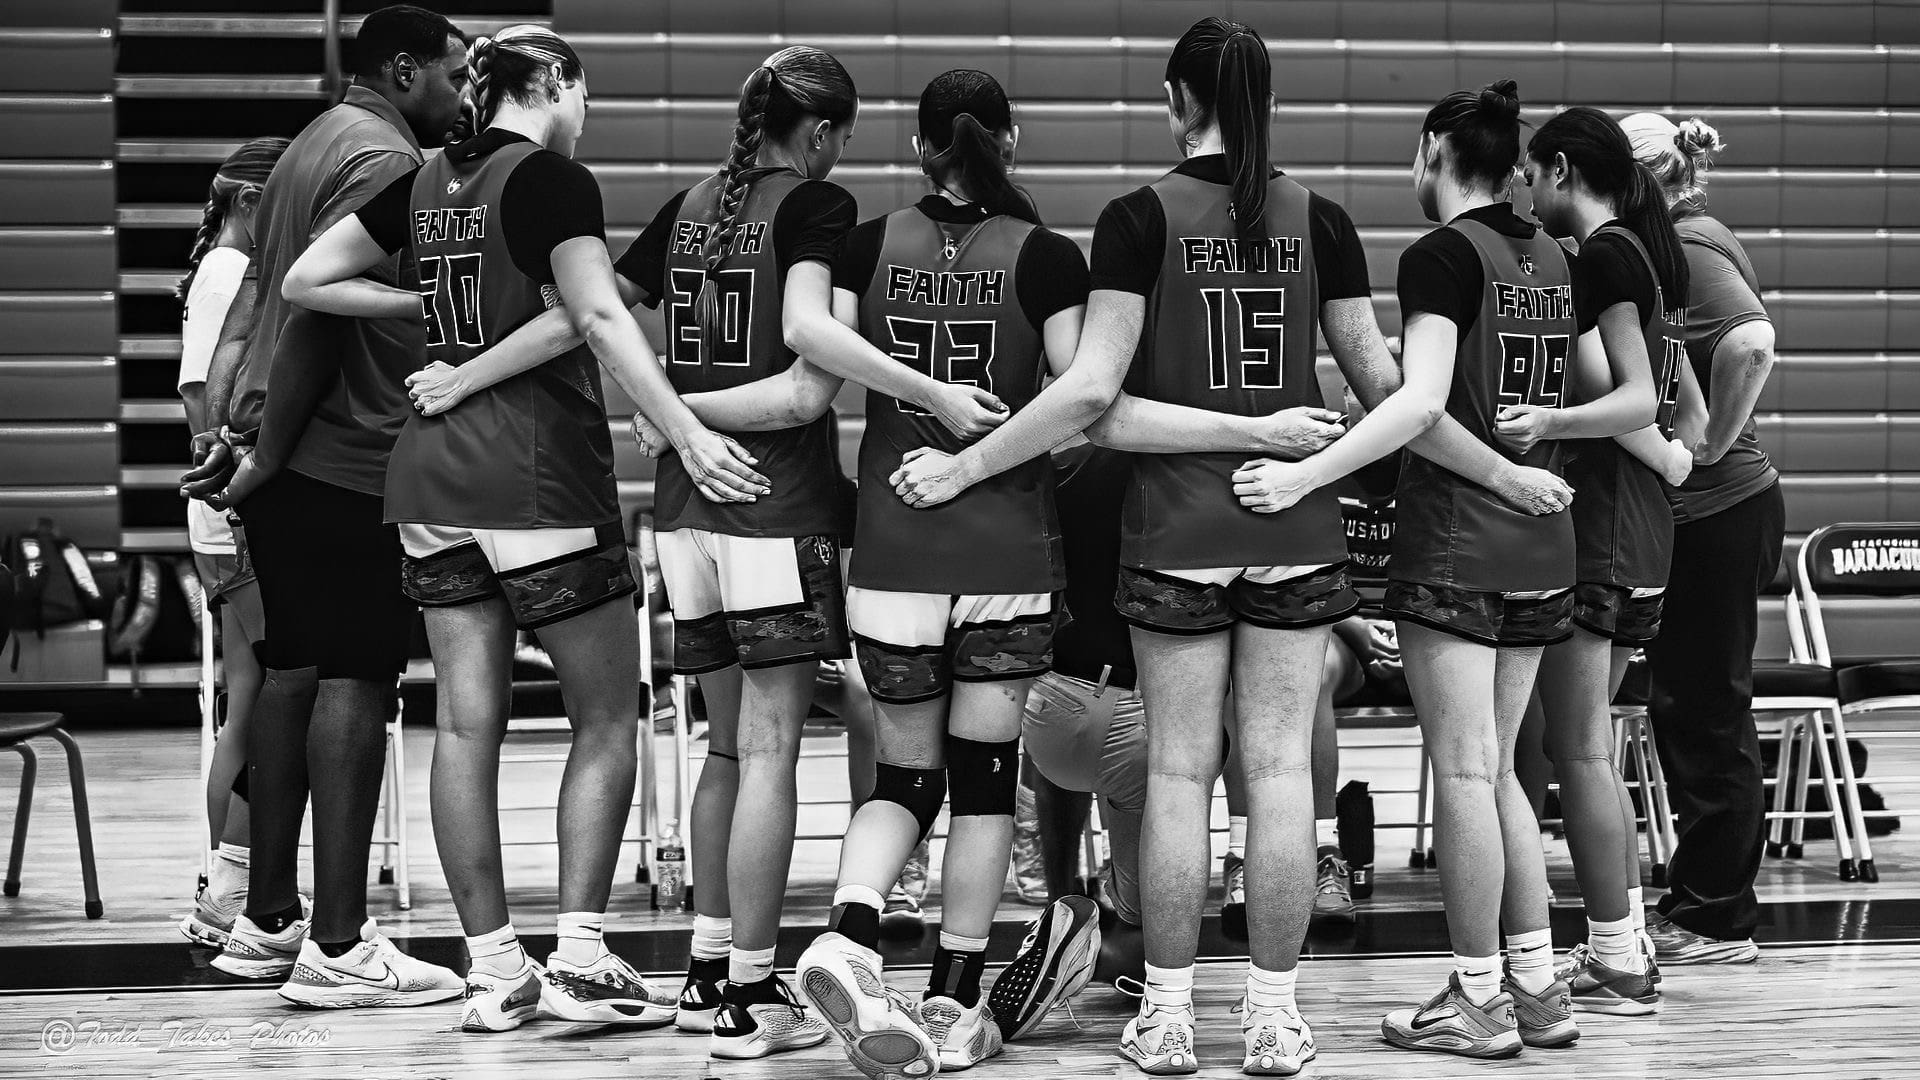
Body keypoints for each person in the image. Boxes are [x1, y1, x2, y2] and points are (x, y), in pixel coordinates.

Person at [882, 18, 1459, 1073]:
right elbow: (1393, 396)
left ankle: (1172, 1015)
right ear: (1268, 102)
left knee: (1183, 778)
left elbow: (1096, 401)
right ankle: (1277, 1019)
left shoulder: (1136, 218)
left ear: (1170, 97)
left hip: (1178, 535)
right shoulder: (1322, 220)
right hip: (1296, 529)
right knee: (1282, 777)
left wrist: (966, 466)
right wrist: (1491, 467)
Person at [404, 43, 1001, 1059]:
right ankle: (753, 998)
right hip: (768, 504)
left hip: (682, 515)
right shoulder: (816, 208)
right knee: (767, 749)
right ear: (819, 136)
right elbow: (806, 391)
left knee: (725, 747)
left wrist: (664, 407)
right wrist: (687, 411)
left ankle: (706, 970)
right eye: (840, 138)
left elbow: (594, 318)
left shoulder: (688, 206)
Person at [283, 25, 764, 1032]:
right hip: (535, 477)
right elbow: (598, 317)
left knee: (465, 724)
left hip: (428, 483)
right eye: (585, 97)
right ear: (554, 83)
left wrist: (419, 302)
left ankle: (496, 968)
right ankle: (581, 960)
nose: (586, 119)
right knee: (605, 718)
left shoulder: (418, 182)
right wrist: (682, 430)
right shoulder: (548, 179)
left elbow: (307, 280)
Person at [788, 69, 1096, 1076]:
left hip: (893, 545)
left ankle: (849, 929)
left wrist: (914, 393)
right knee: (983, 786)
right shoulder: (1047, 256)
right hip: (1004, 547)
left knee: (903, 778)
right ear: (1011, 142)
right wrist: (983, 447)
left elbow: (812, 343)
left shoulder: (865, 241)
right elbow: (1082, 402)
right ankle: (956, 1006)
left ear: (920, 150)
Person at [183, 4, 469, 1007]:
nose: (464, 94)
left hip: (287, 453)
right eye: (454, 74)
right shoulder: (388, 161)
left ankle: (267, 922)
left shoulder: (310, 144)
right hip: (340, 457)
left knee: (291, 676)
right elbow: (305, 319)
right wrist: (260, 452)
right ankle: (341, 943)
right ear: (404, 70)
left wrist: (230, 426)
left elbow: (254, 301)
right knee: (355, 674)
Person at [1371, 82, 1592, 1059]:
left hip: (1462, 538)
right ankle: (1538, 989)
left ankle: (1475, 997)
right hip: (1543, 543)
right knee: (1498, 769)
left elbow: (1422, 408)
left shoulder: (1439, 255)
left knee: (1465, 773)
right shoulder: (1551, 254)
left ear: (1432, 150)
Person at [1516, 105, 1706, 1015]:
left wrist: (1550, 422)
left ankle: (1618, 958)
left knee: (1578, 749)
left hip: (1600, 535)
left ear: (1559, 170)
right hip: (1645, 537)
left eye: (1532, 173)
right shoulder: (1652, 251)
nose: (1526, 190)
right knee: (1578, 746)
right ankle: (1621, 947)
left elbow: (1626, 399)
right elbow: (1690, 420)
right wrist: (1672, 456)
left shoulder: (1602, 254)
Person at [1624, 111, 1783, 965]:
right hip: (1716, 514)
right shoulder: (1682, 237)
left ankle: (1715, 918)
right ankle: (1701, 896)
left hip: (1719, 510)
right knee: (1690, 706)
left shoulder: (1686, 243)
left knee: (1706, 711)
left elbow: (1752, 343)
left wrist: (1709, 444)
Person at [175, 136, 289, 950]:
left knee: (251, 693)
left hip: (228, 507)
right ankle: (227, 890)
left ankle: (227, 883)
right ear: (252, 201)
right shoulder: (227, 270)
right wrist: (231, 487)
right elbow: (198, 387)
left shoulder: (223, 265)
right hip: (233, 512)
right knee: (255, 698)